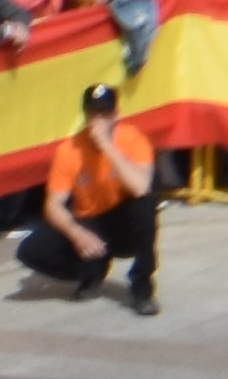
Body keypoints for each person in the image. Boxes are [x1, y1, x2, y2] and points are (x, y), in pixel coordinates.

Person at [27, 82, 157, 311]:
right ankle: (92, 270)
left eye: (104, 113)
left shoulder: (133, 139)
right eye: (93, 113)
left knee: (146, 204)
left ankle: (142, 289)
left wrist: (106, 145)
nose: (98, 120)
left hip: (121, 219)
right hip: (90, 219)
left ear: (116, 114)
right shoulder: (69, 150)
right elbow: (53, 204)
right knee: (32, 250)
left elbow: (140, 187)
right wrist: (76, 233)